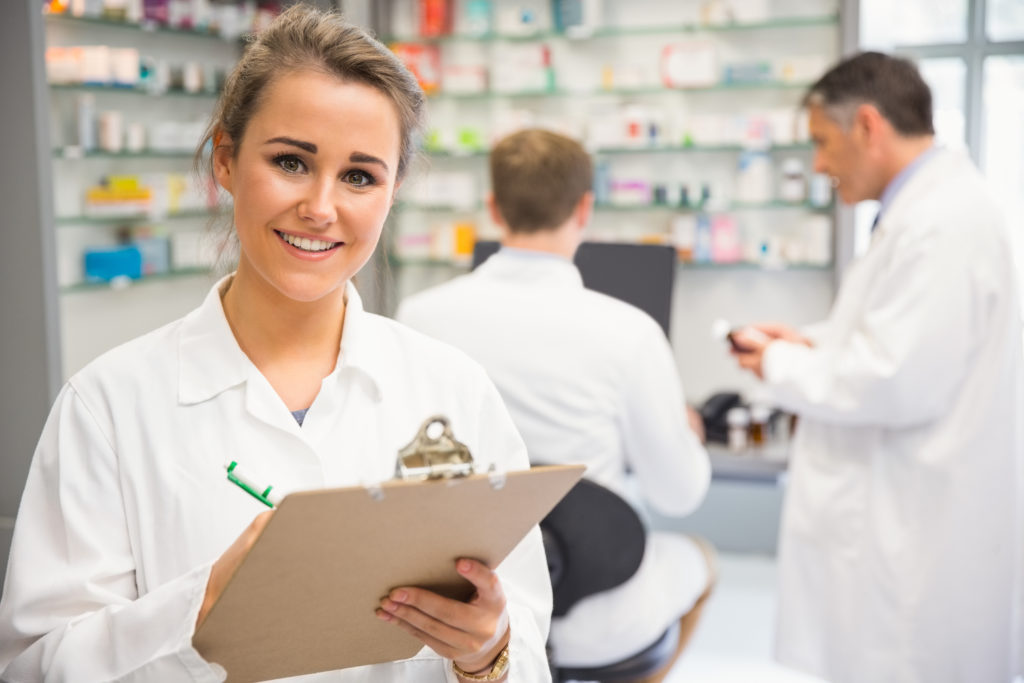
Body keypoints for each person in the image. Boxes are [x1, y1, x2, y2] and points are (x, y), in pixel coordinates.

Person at [0, 6, 553, 681]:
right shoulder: (108, 405)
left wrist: (484, 653)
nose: (321, 207)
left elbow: (524, 643)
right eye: (292, 161)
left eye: (359, 176)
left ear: (392, 192)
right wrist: (201, 602)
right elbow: (35, 665)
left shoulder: (452, 389)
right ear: (226, 160)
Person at [729, 52, 1024, 683]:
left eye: (822, 143)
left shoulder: (944, 224)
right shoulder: (920, 216)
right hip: (899, 523)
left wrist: (780, 361)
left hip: (916, 540)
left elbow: (892, 380)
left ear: (868, 125)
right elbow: (892, 339)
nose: (818, 165)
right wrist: (808, 342)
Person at [397, 128, 714, 677]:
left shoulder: (419, 318)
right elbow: (679, 493)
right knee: (701, 562)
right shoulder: (629, 332)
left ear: (493, 207)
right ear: (584, 209)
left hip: (463, 610)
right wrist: (684, 435)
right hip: (599, 619)